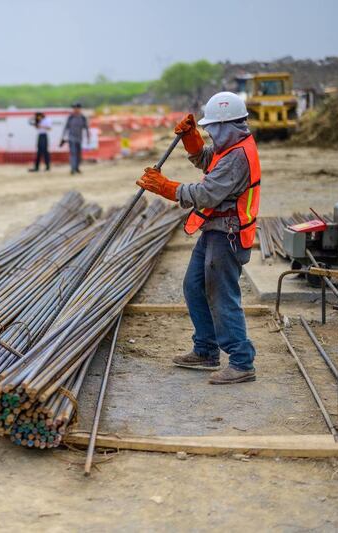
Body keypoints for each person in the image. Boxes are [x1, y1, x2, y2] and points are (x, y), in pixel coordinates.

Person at [136, 91, 260, 385]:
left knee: (222, 296)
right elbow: (209, 162)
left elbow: (206, 193)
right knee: (193, 287)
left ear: (228, 126)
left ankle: (242, 362)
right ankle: (206, 350)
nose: (209, 133)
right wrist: (192, 140)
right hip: (214, 230)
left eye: (211, 128)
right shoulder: (230, 146)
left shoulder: (238, 156)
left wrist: (166, 188)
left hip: (228, 234)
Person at [61, 102, 89, 175]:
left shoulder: (83, 117)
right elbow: (66, 128)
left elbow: (86, 128)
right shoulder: (70, 117)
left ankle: (76, 167)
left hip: (79, 138)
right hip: (71, 138)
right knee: (73, 153)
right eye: (74, 108)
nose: (75, 109)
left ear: (79, 109)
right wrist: (63, 137)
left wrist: (88, 138)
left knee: (79, 154)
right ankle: (73, 168)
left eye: (76, 108)